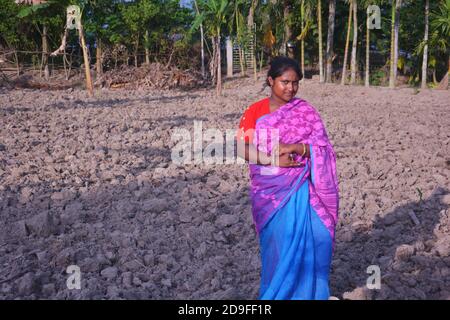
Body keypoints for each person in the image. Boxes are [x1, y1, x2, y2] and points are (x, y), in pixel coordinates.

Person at [236, 56, 339, 300]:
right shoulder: (255, 111)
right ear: (271, 81)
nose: (290, 88)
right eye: (284, 82)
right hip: (272, 194)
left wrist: (297, 148)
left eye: (295, 83)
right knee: (281, 244)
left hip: (305, 187)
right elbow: (241, 148)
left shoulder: (306, 111)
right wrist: (274, 160)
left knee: (319, 236)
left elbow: (323, 148)